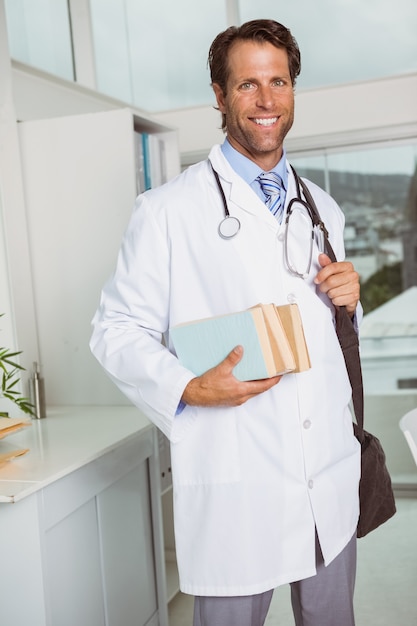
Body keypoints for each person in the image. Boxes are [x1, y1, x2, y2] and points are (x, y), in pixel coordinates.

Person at [90, 19, 362, 626]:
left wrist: (350, 300)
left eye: (279, 82)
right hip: (240, 479)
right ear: (219, 94)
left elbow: (336, 334)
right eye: (247, 85)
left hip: (327, 473)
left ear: (293, 90)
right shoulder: (166, 212)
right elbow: (115, 328)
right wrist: (185, 387)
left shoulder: (325, 207)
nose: (267, 101)